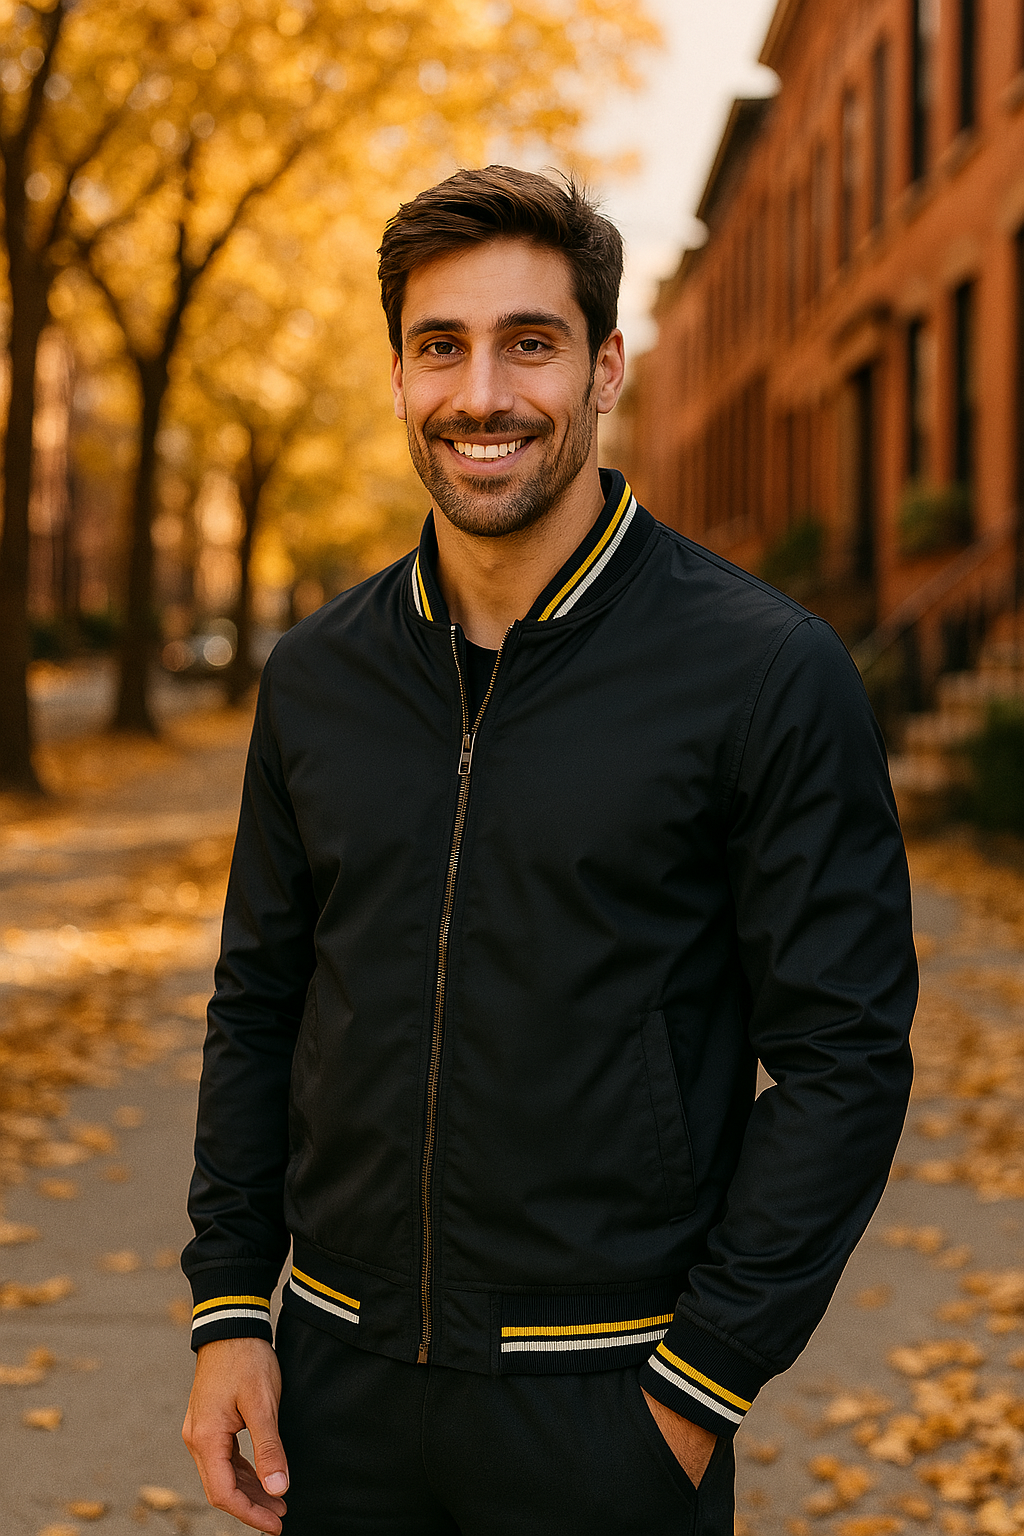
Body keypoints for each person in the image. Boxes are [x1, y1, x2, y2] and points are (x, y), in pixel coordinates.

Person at [181, 165, 917, 1536]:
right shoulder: (318, 676)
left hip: (610, 1400)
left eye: (531, 342)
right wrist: (231, 1310)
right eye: (439, 346)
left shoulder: (763, 673)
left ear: (605, 369)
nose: (482, 395)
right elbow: (261, 1002)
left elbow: (846, 1054)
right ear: (398, 375)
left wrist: (695, 1394)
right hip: (334, 1393)